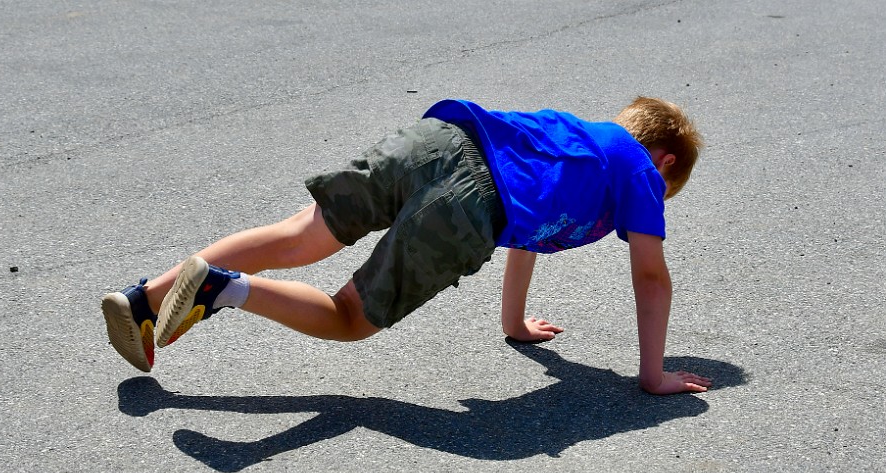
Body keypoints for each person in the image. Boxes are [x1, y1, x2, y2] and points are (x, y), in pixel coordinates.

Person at [101, 97, 712, 395]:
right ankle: (222, 289)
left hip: (439, 138)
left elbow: (530, 237)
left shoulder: (582, 142)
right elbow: (651, 277)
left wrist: (514, 323)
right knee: (347, 318)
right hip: (469, 203)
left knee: (301, 234)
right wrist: (652, 374)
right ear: (664, 160)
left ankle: (144, 300)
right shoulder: (639, 173)